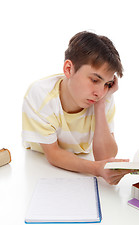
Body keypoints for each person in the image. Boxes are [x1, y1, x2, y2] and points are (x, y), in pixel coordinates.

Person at [22, 31, 132, 185]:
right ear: (68, 69)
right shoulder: (41, 95)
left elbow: (106, 158)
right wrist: (95, 169)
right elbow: (53, 154)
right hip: (38, 165)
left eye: (107, 84)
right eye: (94, 80)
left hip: (79, 163)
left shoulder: (103, 97)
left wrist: (100, 105)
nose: (100, 93)